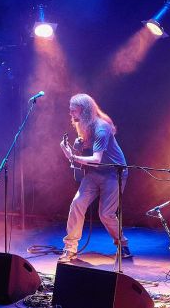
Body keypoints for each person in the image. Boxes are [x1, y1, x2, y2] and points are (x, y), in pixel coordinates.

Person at [59, 93, 131, 262]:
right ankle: (70, 249)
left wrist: (73, 157)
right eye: (70, 111)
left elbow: (96, 160)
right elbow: (83, 155)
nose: (71, 115)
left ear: (84, 112)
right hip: (95, 173)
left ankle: (122, 244)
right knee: (77, 204)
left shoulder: (101, 127)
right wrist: (69, 149)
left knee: (106, 214)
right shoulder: (84, 126)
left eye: (74, 111)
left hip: (114, 173)